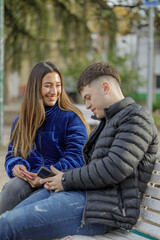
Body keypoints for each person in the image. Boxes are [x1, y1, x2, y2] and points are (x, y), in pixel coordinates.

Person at [0, 62, 158, 240]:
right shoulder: (110, 121)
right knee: (5, 221)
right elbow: (90, 166)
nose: (87, 105)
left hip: (102, 211)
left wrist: (65, 179)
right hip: (82, 196)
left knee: (8, 225)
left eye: (89, 97)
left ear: (105, 88)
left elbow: (114, 168)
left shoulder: (136, 118)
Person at [0, 61, 89, 214]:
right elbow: (13, 154)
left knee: (23, 210)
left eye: (58, 85)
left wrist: (43, 176)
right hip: (29, 181)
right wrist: (16, 166)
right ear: (35, 88)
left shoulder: (72, 118)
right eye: (48, 85)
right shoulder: (21, 121)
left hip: (58, 183)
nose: (54, 91)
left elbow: (76, 158)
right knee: (12, 186)